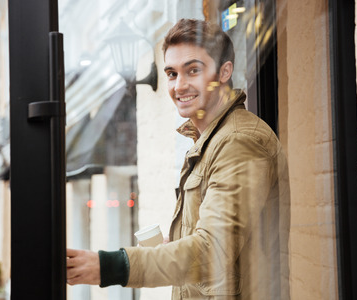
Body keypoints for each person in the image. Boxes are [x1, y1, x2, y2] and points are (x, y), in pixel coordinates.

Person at [67, 18, 290, 299]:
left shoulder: (238, 141)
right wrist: (177, 242)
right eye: (172, 74)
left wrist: (110, 266)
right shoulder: (210, 139)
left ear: (224, 72)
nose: (179, 85)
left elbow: (212, 250)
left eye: (193, 70)